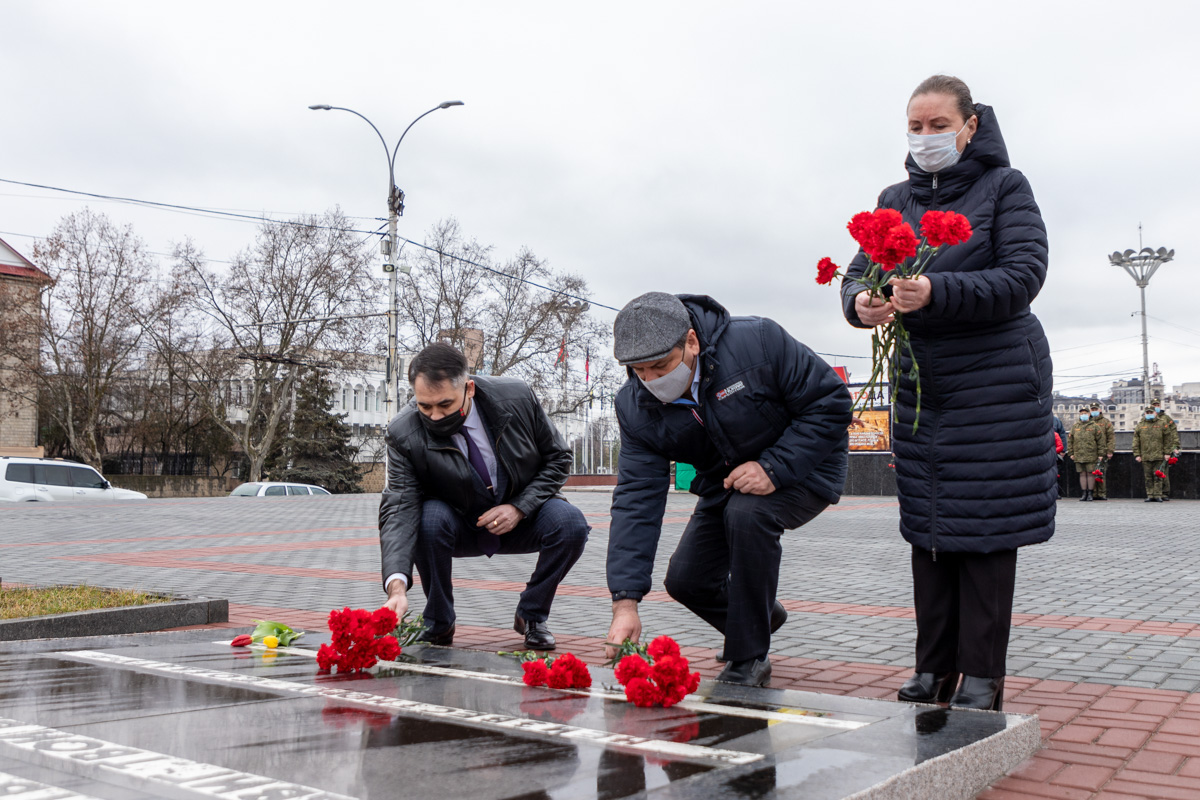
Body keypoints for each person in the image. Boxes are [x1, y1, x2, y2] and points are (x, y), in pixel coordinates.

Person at [839, 75, 1056, 711]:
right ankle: (933, 669)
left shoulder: (1005, 188)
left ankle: (982, 677)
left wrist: (938, 292)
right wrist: (861, 303)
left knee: (986, 530)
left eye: (939, 125)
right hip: (921, 387)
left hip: (995, 385)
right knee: (928, 529)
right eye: (916, 126)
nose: (926, 137)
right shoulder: (894, 198)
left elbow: (1023, 275)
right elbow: (856, 275)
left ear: (970, 126)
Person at [605, 292, 851, 687]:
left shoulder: (758, 342)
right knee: (687, 580)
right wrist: (625, 601)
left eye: (660, 366)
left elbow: (831, 403)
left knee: (749, 514)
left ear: (691, 341)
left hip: (806, 464)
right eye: (638, 370)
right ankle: (761, 617)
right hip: (728, 481)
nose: (650, 381)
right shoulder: (635, 408)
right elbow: (636, 499)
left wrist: (774, 466)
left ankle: (748, 657)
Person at [378, 342, 590, 650]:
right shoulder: (403, 433)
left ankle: (532, 614)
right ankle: (439, 621)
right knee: (428, 517)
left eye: (445, 405)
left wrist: (519, 507)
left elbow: (558, 458)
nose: (435, 417)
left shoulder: (516, 396)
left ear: (470, 388)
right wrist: (396, 588)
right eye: (425, 406)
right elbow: (399, 506)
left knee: (571, 524)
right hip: (458, 524)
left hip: (521, 517)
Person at [1134, 405, 1171, 503]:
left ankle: (1158, 495)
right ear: (1145, 414)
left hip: (1159, 455)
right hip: (1145, 455)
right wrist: (1137, 454)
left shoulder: (1162, 423)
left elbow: (1168, 439)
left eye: (1151, 412)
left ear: (1155, 413)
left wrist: (1167, 453)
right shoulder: (1140, 425)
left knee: (1158, 476)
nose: (1149, 414)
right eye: (1148, 413)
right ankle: (1150, 495)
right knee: (1148, 477)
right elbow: (1136, 441)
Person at [1067, 408, 1103, 501]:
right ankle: (1084, 493)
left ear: (1088, 414)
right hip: (1079, 455)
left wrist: (1100, 454)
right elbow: (1070, 441)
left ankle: (1090, 493)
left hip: (1091, 454)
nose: (1083, 415)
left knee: (1090, 474)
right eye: (1081, 413)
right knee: (1082, 474)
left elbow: (1100, 441)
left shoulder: (1094, 426)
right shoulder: (1075, 426)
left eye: (1085, 413)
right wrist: (1071, 453)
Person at [1151, 399, 1181, 500]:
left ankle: (1165, 493)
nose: (1156, 407)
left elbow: (1173, 433)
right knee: (1151, 473)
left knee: (1164, 471)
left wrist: (1175, 446)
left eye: (1157, 405)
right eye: (1154, 405)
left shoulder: (1166, 418)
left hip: (1164, 448)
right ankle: (1154, 493)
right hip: (1151, 449)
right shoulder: (1147, 418)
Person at [1089, 403, 1115, 501]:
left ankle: (1101, 493)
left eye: (1096, 409)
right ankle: (1094, 493)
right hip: (1090, 452)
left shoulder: (1106, 422)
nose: (1094, 411)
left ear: (1100, 410)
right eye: (1092, 409)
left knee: (1101, 473)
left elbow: (1111, 438)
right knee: (1092, 474)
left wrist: (1109, 451)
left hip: (1102, 452)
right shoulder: (1088, 422)